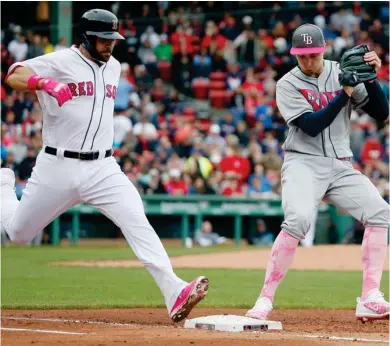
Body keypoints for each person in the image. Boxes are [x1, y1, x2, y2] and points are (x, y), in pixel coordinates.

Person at [1, 9, 209, 323]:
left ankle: (175, 291)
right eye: (104, 38)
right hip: (57, 165)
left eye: (113, 38)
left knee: (136, 217)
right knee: (17, 233)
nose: (110, 44)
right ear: (87, 36)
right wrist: (42, 82)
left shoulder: (114, 66)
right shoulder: (60, 61)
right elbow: (13, 74)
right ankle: (4, 187)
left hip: (102, 166)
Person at [246, 24, 389, 323]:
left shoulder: (342, 70)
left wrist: (372, 79)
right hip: (303, 162)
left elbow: (381, 112)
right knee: (298, 220)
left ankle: (370, 297)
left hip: (339, 163)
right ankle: (265, 299)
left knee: (380, 213)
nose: (308, 61)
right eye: (302, 56)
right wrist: (344, 94)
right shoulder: (287, 83)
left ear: (323, 50)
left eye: (313, 55)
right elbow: (311, 125)